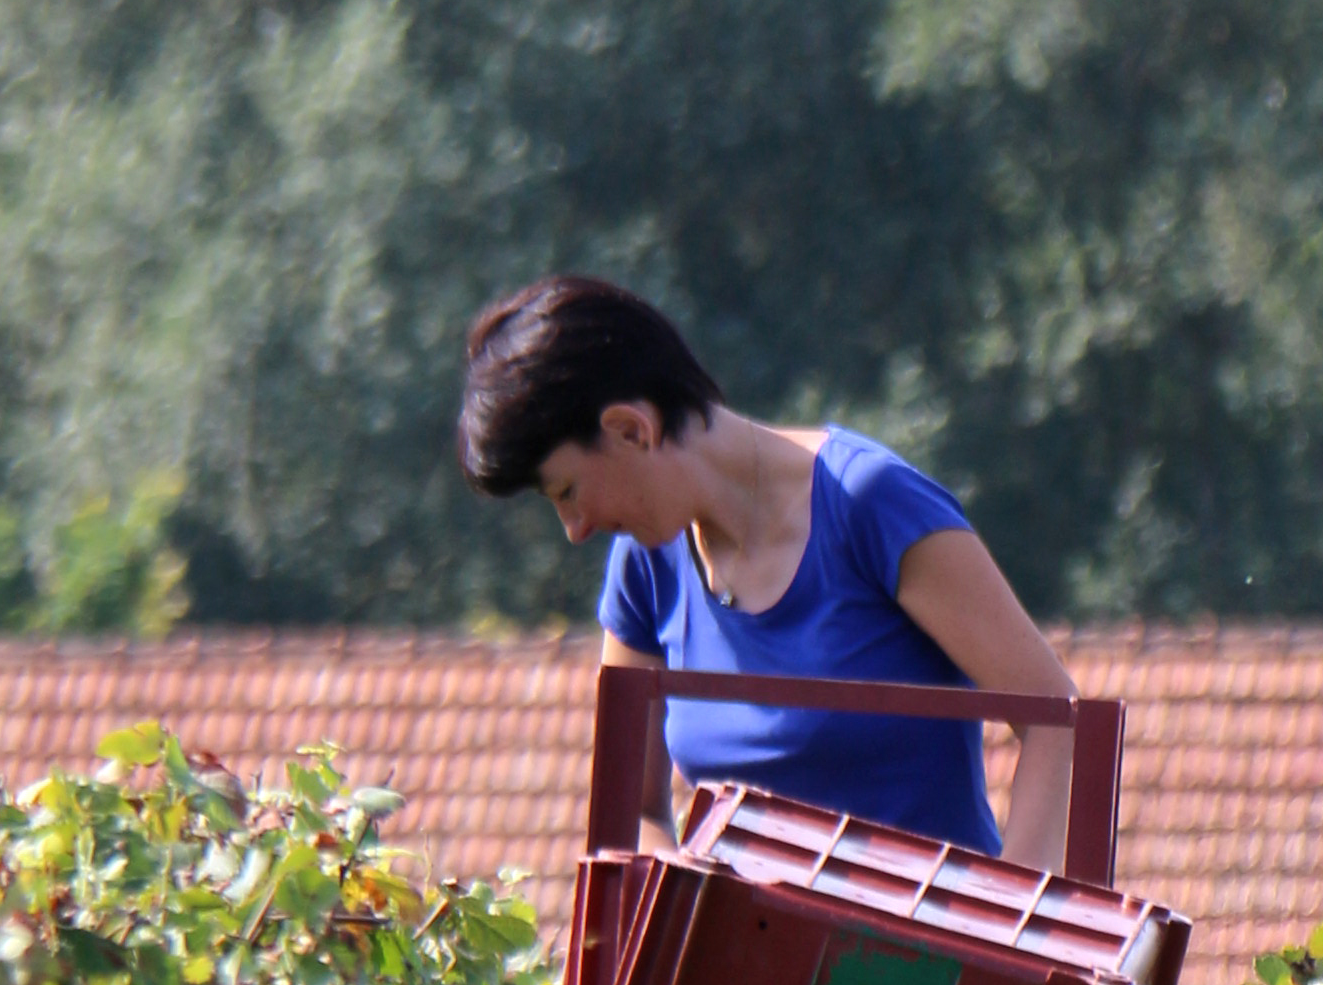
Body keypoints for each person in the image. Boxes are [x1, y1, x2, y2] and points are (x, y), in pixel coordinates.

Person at [455, 275, 1075, 867]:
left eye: (566, 491)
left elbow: (1058, 718)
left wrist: (1010, 929)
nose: (575, 529)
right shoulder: (644, 566)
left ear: (630, 430)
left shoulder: (870, 503)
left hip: (931, 965)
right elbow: (632, 814)